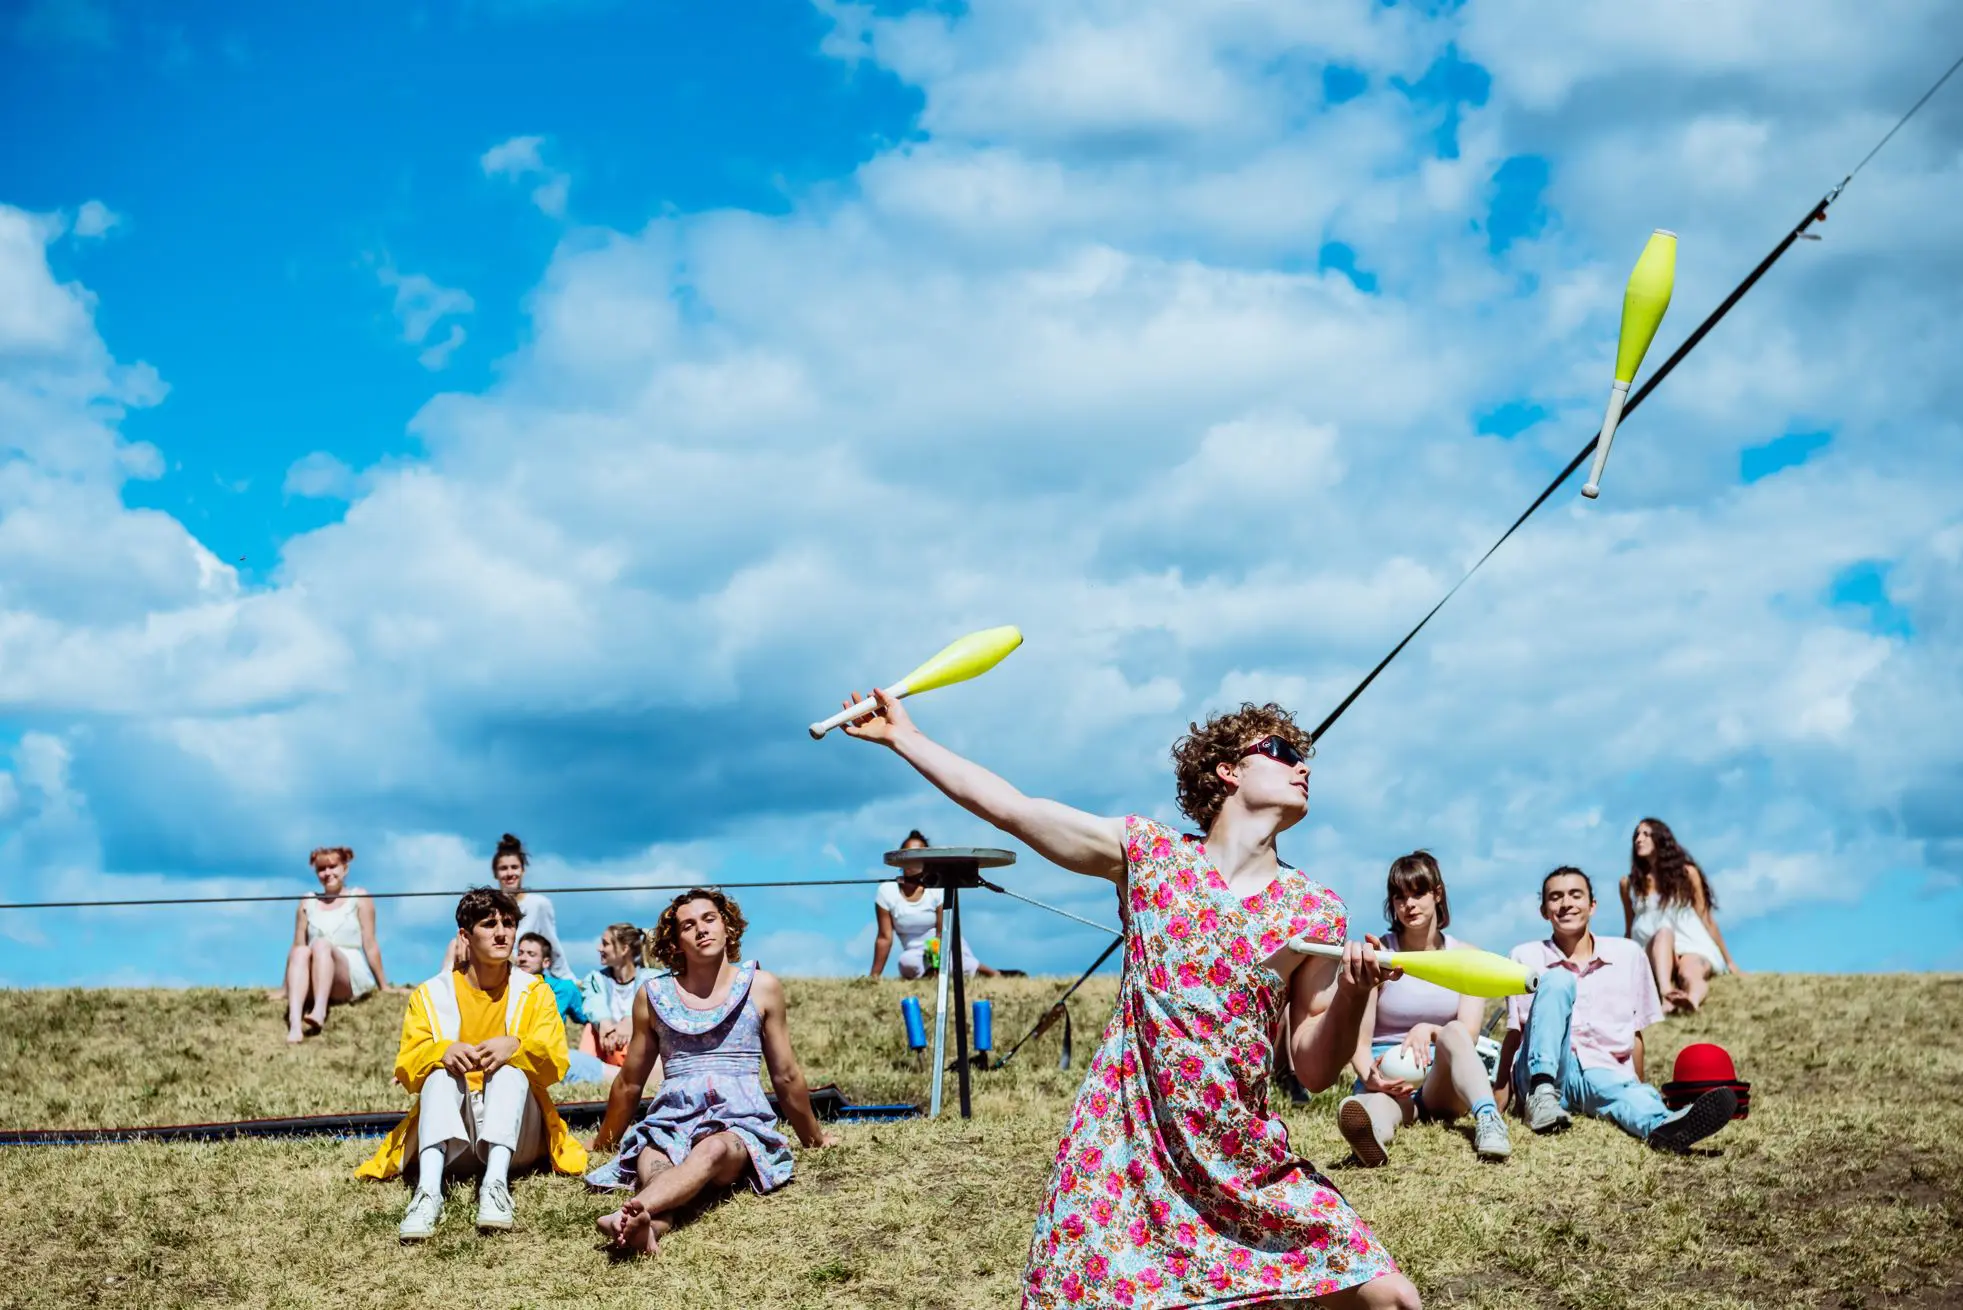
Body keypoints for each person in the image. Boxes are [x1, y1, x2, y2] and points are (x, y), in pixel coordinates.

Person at [837, 688, 1420, 1310]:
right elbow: (1013, 808)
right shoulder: (1150, 855)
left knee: (1392, 1300)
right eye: (1281, 752)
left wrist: (1356, 994)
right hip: (1127, 1151)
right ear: (1228, 769)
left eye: (1304, 757)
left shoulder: (1314, 909)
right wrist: (905, 737)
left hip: (1242, 1158)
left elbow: (1312, 1065)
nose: (1303, 766)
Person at [588, 888, 836, 1257]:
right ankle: (643, 1228)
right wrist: (604, 1141)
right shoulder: (653, 994)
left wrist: (813, 1137)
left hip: (736, 1126)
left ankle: (628, 1213)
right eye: (688, 925)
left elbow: (785, 1075)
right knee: (656, 1166)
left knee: (712, 1151)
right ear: (675, 941)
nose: (702, 930)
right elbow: (630, 1081)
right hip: (669, 1123)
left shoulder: (761, 986)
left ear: (727, 926)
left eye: (709, 919)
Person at [356, 886, 589, 1239]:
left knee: (510, 1069)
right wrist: (441, 1052)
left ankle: (495, 1187)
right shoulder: (431, 993)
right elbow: (407, 1068)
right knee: (440, 1074)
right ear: (465, 935)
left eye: (509, 923)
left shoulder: (535, 991)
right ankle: (427, 1193)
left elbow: (555, 1062)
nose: (501, 932)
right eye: (489, 924)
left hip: (516, 1141)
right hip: (455, 1137)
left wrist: (517, 1045)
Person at [1495, 867, 1738, 1154]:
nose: (1566, 904)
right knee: (1558, 979)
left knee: (1627, 1093)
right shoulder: (1523, 957)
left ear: (1592, 905)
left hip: (1602, 1070)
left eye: (1576, 895)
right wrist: (1495, 1107)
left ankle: (1665, 1126)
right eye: (1555, 897)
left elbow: (1635, 1034)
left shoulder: (1628, 955)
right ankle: (1542, 1099)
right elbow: (1515, 1033)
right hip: (1541, 1073)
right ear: (1544, 910)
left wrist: (1637, 1084)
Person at [1337, 851, 1510, 1166]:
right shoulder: (1381, 956)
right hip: (1391, 1076)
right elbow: (1359, 1040)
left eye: (1418, 893)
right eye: (1400, 897)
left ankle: (1488, 1118)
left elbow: (1468, 1034)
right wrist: (1369, 1075)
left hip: (1441, 1080)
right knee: (1378, 1105)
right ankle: (1371, 1132)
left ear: (1438, 894)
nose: (1409, 905)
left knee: (1454, 1031)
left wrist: (1429, 1030)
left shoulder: (1466, 956)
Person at [1621, 818, 1741, 1013]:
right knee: (1664, 933)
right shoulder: (1629, 884)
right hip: (1652, 948)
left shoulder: (1687, 873)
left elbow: (1706, 918)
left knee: (1690, 973)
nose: (1639, 840)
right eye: (1636, 835)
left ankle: (1691, 1000)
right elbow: (1629, 928)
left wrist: (1729, 961)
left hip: (1690, 943)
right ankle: (1666, 994)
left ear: (1660, 839)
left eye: (1646, 834)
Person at [282, 845, 393, 1044]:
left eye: (333, 867)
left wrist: (383, 985)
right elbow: (297, 946)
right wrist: (284, 988)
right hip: (312, 970)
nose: (327, 873)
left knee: (321, 945)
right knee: (302, 951)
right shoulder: (308, 901)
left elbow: (370, 943)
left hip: (346, 973)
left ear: (345, 868)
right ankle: (295, 1024)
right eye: (321, 869)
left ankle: (319, 1011)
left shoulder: (358, 897)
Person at [868, 829, 1001, 979]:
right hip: (914, 953)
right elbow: (884, 937)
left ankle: (992, 974)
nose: (913, 863)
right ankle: (931, 975)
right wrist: (874, 976)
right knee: (907, 963)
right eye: (908, 856)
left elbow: (942, 932)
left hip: (943, 945)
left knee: (958, 963)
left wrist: (936, 960)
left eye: (918, 856)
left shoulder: (937, 889)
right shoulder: (886, 891)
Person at [444, 833, 573, 979]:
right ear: (495, 873)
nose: (510, 873)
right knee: (455, 943)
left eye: (514, 867)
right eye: (504, 868)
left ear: (522, 870)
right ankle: (445, 986)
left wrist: (568, 979)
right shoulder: (485, 904)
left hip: (520, 966)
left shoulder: (539, 904)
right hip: (488, 963)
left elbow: (552, 944)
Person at [515, 932, 615, 1085]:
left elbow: (586, 1018)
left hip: (550, 1054)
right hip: (519, 1054)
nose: (523, 958)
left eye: (531, 954)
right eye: (520, 952)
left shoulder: (564, 988)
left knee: (587, 1066)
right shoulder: (507, 987)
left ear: (546, 962)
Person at [578, 923, 645, 1071]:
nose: (599, 948)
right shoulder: (595, 979)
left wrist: (630, 1020)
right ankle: (588, 1069)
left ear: (624, 949)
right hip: (607, 1046)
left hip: (637, 1047)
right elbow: (592, 1002)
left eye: (605, 943)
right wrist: (605, 1026)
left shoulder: (650, 978)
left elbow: (651, 1006)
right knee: (590, 1029)